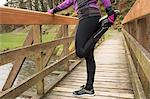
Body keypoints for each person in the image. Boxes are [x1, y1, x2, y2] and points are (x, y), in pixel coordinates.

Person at [47, 0, 117, 96]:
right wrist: (54, 10)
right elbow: (67, 2)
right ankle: (89, 88)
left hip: (87, 16)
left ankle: (103, 27)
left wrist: (110, 11)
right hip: (91, 16)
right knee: (89, 55)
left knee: (81, 52)